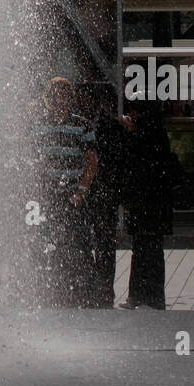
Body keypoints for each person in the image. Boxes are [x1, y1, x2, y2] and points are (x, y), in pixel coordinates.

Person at [29, 77, 98, 306]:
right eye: (56, 96)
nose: (61, 100)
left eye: (65, 96)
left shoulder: (83, 125)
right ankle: (53, 293)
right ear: (48, 99)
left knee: (78, 244)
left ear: (71, 99)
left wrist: (81, 191)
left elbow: (92, 161)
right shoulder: (39, 125)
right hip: (48, 196)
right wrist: (37, 191)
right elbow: (33, 160)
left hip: (72, 195)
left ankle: (81, 294)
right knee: (49, 243)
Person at [119, 99, 177, 310]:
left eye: (134, 111)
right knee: (151, 249)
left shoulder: (145, 134)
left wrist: (130, 132)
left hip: (145, 202)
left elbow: (137, 162)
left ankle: (140, 295)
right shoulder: (157, 133)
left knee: (143, 249)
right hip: (154, 204)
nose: (131, 115)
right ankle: (153, 296)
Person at [83, 81, 127, 308]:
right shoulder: (98, 125)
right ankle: (97, 290)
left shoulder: (108, 126)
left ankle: (103, 292)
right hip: (95, 194)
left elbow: (115, 164)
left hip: (103, 194)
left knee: (104, 245)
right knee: (95, 244)